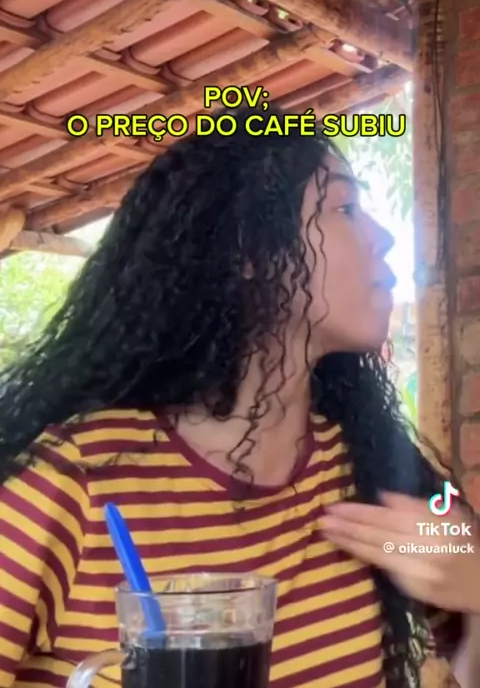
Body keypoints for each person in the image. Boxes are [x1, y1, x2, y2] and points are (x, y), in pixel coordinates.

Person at [0, 109, 477, 688]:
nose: (385, 236)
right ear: (247, 251)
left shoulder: (369, 467)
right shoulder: (76, 476)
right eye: (345, 208)